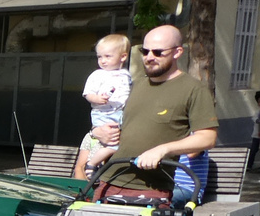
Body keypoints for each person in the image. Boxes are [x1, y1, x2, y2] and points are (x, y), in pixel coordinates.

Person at [92, 24, 217, 203]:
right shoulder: (134, 84)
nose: (150, 57)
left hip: (150, 188)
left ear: (177, 52)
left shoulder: (193, 89)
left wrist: (163, 149)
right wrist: (97, 131)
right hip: (109, 179)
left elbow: (207, 138)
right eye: (145, 51)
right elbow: (109, 117)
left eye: (158, 52)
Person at [72, 33, 133, 178]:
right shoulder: (98, 75)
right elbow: (88, 94)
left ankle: (94, 163)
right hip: (104, 114)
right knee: (111, 142)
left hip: (121, 114)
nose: (103, 61)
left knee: (119, 141)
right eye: (100, 57)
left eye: (107, 56)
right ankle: (92, 163)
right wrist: (97, 98)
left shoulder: (126, 75)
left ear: (123, 57)